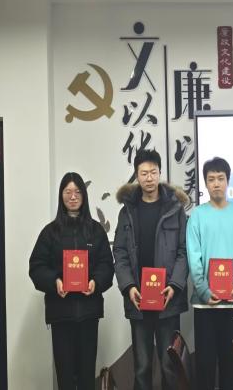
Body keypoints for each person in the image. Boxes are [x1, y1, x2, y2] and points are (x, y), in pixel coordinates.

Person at [29, 172, 114, 390]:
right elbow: (36, 266)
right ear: (61, 196)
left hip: (89, 313)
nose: (73, 196)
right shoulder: (50, 232)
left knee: (87, 375)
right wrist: (54, 282)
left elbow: (107, 265)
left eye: (77, 192)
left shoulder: (96, 231)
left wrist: (95, 282)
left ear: (84, 195)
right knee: (65, 376)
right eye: (68, 192)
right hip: (61, 314)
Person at [113, 149, 189, 390]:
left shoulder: (175, 209)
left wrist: (174, 286)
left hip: (168, 300)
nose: (149, 178)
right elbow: (120, 252)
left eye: (153, 172)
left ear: (160, 173)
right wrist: (129, 287)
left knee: (169, 365)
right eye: (143, 173)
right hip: (139, 301)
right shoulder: (127, 211)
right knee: (142, 366)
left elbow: (183, 251)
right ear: (137, 175)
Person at [186, 157, 233, 390]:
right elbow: (194, 257)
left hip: (232, 302)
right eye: (211, 179)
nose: (216, 184)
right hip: (205, 305)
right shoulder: (197, 215)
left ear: (228, 181)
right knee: (205, 365)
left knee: (230, 366)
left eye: (220, 178)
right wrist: (203, 290)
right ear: (205, 183)